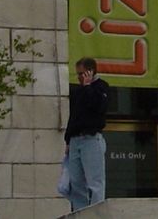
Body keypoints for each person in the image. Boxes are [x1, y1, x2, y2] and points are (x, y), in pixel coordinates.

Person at [64, 57, 110, 211]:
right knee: (76, 182)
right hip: (76, 139)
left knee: (94, 182)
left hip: (91, 138)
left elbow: (98, 107)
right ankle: (79, 212)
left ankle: (97, 213)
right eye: (77, 74)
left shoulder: (101, 87)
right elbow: (74, 116)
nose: (79, 77)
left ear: (91, 72)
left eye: (82, 73)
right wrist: (68, 140)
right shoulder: (78, 91)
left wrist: (88, 86)